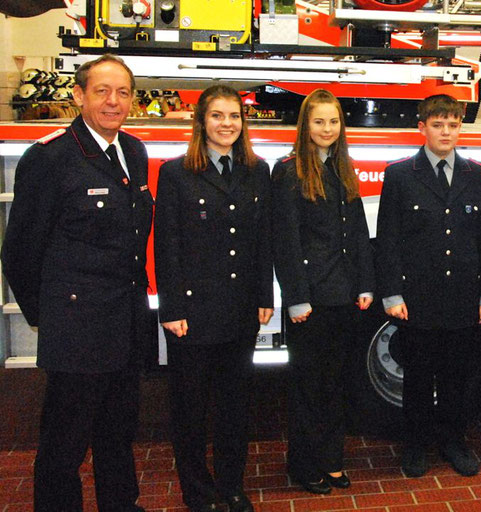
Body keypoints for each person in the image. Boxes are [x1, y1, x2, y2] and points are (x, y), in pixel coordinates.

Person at [0, 54, 155, 512]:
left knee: (118, 433)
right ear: (78, 95)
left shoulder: (134, 150)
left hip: (124, 324)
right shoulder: (51, 158)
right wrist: (53, 319)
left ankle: (120, 505)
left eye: (123, 92)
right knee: (64, 445)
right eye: (102, 91)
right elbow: (19, 253)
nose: (114, 102)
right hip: (77, 330)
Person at [154, 85, 273, 512]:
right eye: (218, 116)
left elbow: (262, 240)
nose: (227, 124)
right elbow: (165, 246)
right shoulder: (176, 173)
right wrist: (172, 309)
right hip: (193, 312)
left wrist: (264, 294)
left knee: (234, 407)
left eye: (234, 116)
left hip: (240, 310)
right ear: (201, 122)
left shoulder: (257, 171)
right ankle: (197, 492)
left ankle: (231, 486)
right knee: (189, 410)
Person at [376, 94, 481, 478]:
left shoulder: (477, 175)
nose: (446, 132)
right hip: (418, 298)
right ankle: (415, 447)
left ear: (461, 127)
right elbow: (388, 238)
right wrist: (392, 293)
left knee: (456, 380)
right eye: (437, 124)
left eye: (453, 124)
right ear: (422, 128)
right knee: (416, 378)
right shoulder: (399, 175)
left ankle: (453, 442)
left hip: (463, 297)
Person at [271, 89, 375, 494]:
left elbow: (360, 233)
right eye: (319, 122)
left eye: (333, 121)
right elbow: (286, 241)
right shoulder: (289, 170)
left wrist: (366, 283)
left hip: (345, 295)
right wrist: (296, 297)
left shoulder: (343, 167)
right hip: (310, 301)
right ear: (305, 125)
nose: (327, 129)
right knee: (307, 388)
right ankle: (303, 465)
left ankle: (332, 460)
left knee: (336, 385)